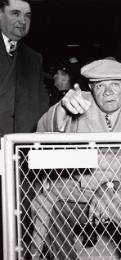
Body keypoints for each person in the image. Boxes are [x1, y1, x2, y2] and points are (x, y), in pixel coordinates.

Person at [32, 59, 121, 260]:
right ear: (90, 87)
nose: (107, 92)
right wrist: (62, 108)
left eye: (115, 84)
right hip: (84, 197)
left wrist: (111, 185)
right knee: (44, 202)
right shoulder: (78, 105)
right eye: (100, 85)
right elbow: (42, 131)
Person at [0, 0, 49, 258]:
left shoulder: (34, 58)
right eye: (15, 13)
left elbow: (41, 106)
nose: (22, 20)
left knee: (20, 221)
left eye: (27, 15)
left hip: (23, 160)